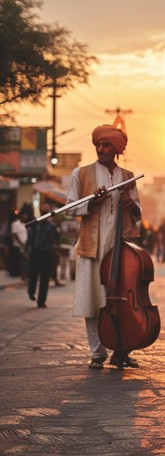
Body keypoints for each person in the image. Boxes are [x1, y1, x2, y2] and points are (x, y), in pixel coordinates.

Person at [66, 124, 142, 370]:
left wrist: (131, 204)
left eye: (106, 145)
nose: (100, 149)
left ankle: (122, 348)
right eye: (98, 144)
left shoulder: (128, 176)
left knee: (121, 300)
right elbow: (70, 207)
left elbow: (138, 213)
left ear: (117, 149)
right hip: (92, 247)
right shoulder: (81, 174)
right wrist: (92, 202)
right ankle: (97, 352)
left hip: (120, 247)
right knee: (92, 300)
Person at [26, 203, 60, 308]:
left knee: (45, 279)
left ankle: (41, 301)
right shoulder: (35, 224)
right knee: (33, 275)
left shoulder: (52, 226)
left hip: (46, 254)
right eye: (43, 209)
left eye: (47, 209)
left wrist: (54, 247)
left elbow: (56, 239)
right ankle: (31, 292)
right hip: (35, 253)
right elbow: (30, 239)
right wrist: (27, 251)